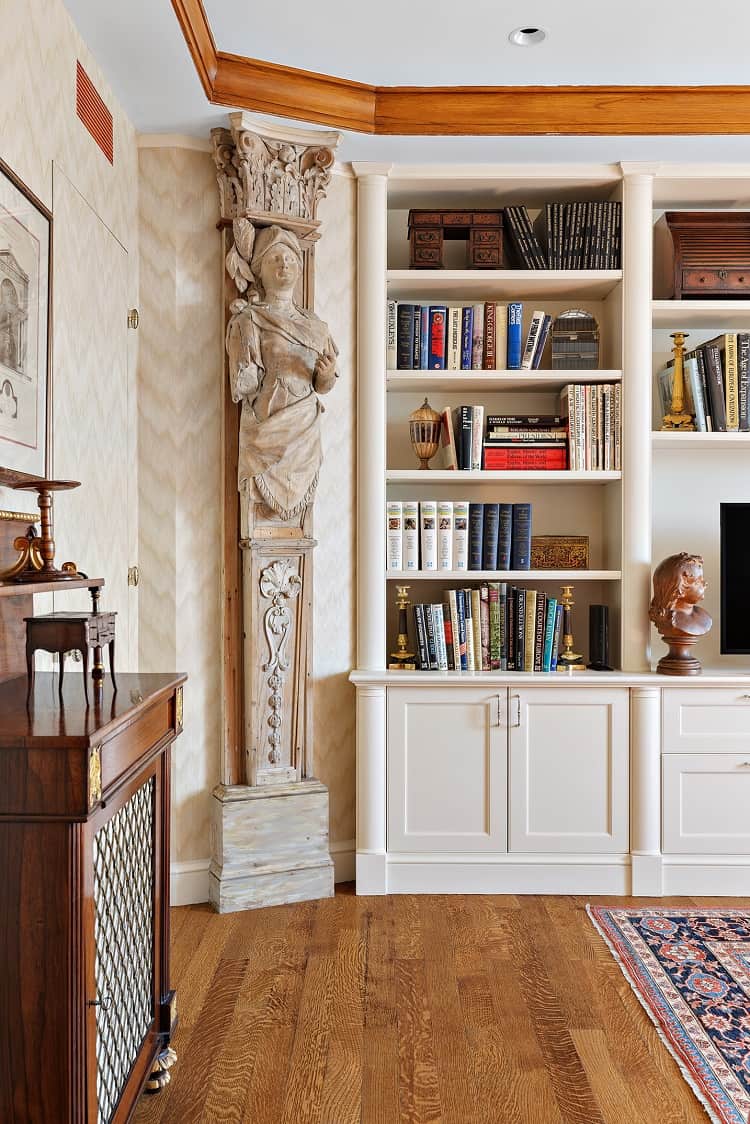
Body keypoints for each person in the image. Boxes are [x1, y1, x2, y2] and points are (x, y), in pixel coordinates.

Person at [226, 224, 338, 521]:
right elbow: (244, 385)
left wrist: (326, 375)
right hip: (268, 425)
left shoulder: (316, 326)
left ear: (300, 268)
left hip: (304, 428)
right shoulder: (250, 320)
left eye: (289, 259)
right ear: (259, 270)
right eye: (274, 259)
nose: (283, 265)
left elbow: (323, 385)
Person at [649, 552, 712, 637]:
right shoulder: (670, 621)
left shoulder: (704, 618)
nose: (705, 583)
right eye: (698, 581)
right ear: (679, 589)